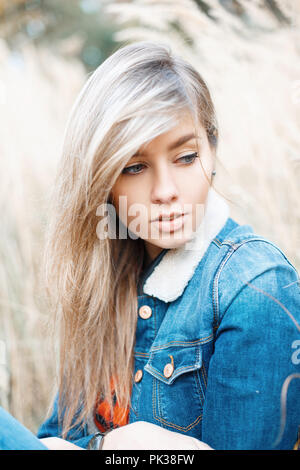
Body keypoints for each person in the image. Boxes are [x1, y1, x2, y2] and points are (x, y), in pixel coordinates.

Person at [2, 41, 300, 450]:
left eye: (186, 157)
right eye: (135, 167)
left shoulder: (255, 288)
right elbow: (59, 437)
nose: (166, 191)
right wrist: (106, 447)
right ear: (103, 181)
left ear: (212, 151)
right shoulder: (104, 280)